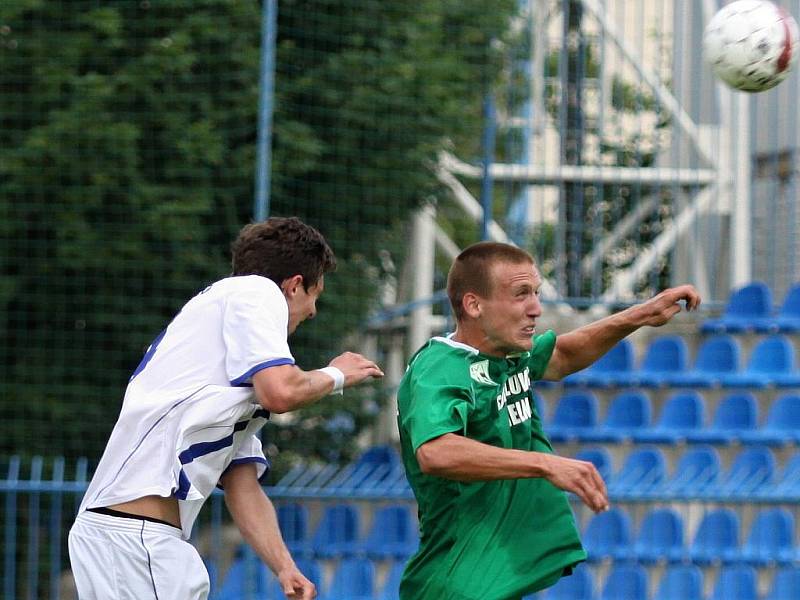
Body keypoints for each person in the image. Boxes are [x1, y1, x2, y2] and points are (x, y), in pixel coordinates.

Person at [68, 216, 384, 600]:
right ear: (294, 285)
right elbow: (281, 393)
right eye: (315, 294)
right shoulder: (255, 292)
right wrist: (337, 374)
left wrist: (284, 567)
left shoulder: (223, 367)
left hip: (138, 539)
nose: (313, 311)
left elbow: (242, 486)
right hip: (135, 539)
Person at [396, 241, 700, 600]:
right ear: (474, 305)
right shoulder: (440, 369)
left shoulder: (507, 356)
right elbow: (435, 452)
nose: (536, 308)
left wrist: (642, 314)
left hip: (493, 580)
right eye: (521, 294)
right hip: (455, 583)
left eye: (536, 293)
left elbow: (563, 353)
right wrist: (543, 464)